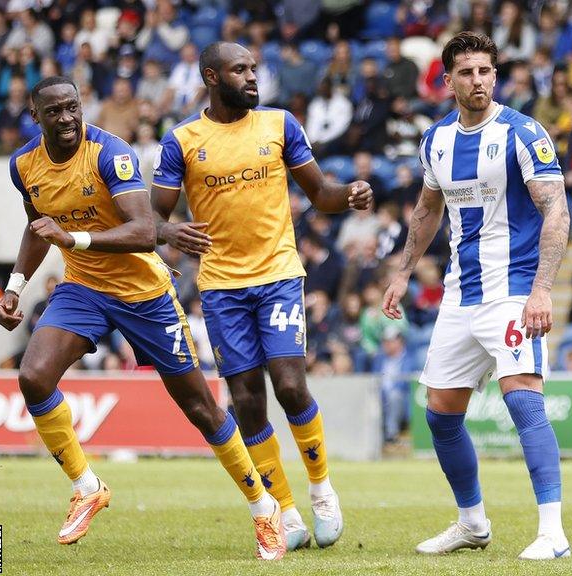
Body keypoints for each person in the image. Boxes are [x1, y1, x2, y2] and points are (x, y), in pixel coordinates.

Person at [0, 76, 285, 560]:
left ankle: (264, 508)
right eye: (55, 112)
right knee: (34, 376)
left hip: (144, 293)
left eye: (73, 107)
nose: (67, 118)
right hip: (84, 289)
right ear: (35, 116)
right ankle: (87, 486)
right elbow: (37, 226)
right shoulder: (23, 165)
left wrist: (74, 240)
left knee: (201, 409)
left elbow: (145, 229)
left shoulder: (111, 152)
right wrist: (14, 287)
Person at [151, 42, 373, 552]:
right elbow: (153, 216)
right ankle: (286, 511)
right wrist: (170, 233)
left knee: (291, 385)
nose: (253, 77)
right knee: (248, 400)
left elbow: (320, 194)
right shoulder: (182, 140)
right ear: (211, 76)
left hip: (277, 275)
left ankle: (321, 491)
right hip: (222, 286)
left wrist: (351, 193)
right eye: (240, 69)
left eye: (254, 68)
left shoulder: (280, 125)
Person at [381, 32, 571, 561]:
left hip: (513, 290)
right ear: (449, 82)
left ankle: (552, 532)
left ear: (496, 75)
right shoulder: (436, 140)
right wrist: (401, 274)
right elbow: (426, 210)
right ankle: (472, 522)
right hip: (460, 295)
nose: (479, 81)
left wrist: (541, 291)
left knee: (523, 400)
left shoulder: (522, 133)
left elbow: (556, 210)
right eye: (467, 73)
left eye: (486, 71)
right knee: (440, 414)